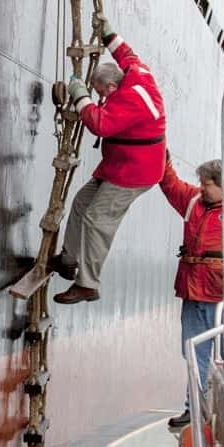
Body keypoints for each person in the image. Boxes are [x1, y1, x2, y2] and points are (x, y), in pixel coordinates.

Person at [51, 25, 166, 304]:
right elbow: (127, 53)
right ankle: (68, 259)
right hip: (120, 165)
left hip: (133, 172)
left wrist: (80, 95)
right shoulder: (136, 73)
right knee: (81, 203)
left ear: (113, 86)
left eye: (102, 93)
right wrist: (108, 34)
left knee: (97, 219)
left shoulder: (131, 99)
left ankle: (88, 284)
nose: (101, 98)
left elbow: (100, 124)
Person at [157, 152, 224, 429]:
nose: (201, 187)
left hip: (222, 298)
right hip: (192, 291)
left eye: (206, 183)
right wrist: (162, 158)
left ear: (222, 185)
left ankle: (219, 411)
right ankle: (195, 411)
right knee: (193, 354)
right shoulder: (194, 200)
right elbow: (170, 184)